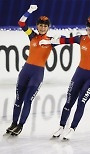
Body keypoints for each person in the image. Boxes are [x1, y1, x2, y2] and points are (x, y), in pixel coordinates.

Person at [5, 5, 53, 136]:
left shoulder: (51, 41)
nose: (42, 28)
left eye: (45, 26)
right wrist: (29, 11)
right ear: (37, 26)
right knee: (18, 99)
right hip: (26, 70)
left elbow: (69, 41)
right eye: (40, 25)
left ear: (48, 28)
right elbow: (21, 23)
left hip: (37, 74)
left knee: (27, 100)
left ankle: (20, 125)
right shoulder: (32, 36)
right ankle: (14, 123)